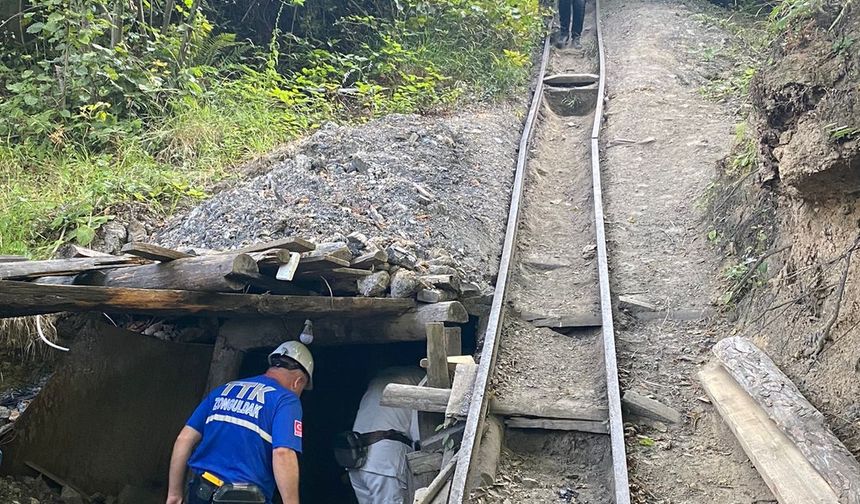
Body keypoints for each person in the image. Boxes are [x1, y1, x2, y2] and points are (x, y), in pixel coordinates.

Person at [166, 341, 314, 504]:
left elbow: (184, 439)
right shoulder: (286, 400)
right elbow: (283, 453)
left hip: (201, 492)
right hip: (243, 498)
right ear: (298, 382)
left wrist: (174, 494)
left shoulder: (225, 389)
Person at [348, 367, 423, 504]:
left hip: (355, 458)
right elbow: (419, 434)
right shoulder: (421, 384)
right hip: (384, 462)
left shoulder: (376, 381)